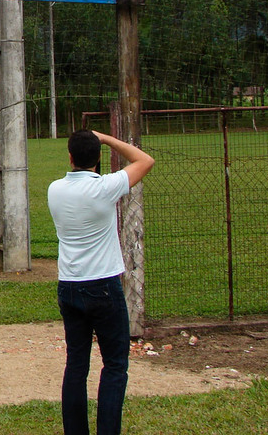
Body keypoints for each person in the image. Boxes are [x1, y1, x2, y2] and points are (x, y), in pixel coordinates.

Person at [47, 129, 155, 435]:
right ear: (97, 159)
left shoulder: (55, 189)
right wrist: (107, 139)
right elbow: (145, 160)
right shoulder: (106, 187)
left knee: (77, 365)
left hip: (68, 285)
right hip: (103, 286)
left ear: (69, 157)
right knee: (115, 365)